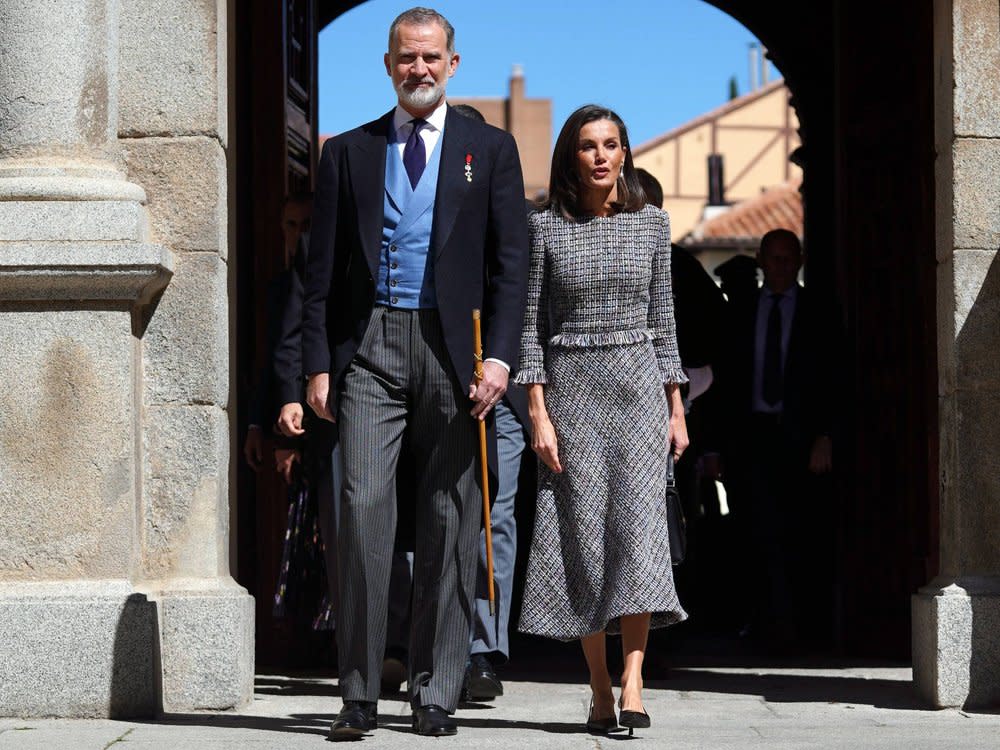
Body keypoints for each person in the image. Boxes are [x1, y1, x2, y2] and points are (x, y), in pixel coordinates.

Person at [300, 7, 529, 740]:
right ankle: (360, 692)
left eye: (432, 58)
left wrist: (498, 357)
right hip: (370, 348)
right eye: (407, 58)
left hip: (454, 350)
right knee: (363, 509)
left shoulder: (489, 150)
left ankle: (436, 689)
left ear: (453, 65)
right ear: (389, 65)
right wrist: (315, 365)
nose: (419, 69)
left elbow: (510, 266)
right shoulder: (348, 153)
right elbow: (320, 274)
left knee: (449, 520)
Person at [514, 104, 689, 736]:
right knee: (584, 539)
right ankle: (596, 685)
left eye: (611, 145)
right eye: (588, 146)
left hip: (639, 389)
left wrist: (676, 406)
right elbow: (530, 327)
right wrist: (537, 412)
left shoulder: (652, 225)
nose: (600, 156)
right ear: (571, 156)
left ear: (625, 154)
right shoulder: (547, 230)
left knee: (639, 536)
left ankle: (634, 680)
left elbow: (666, 323)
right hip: (570, 392)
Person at [272, 230, 413, 695]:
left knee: (402, 531)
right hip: (335, 410)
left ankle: (397, 647)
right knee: (347, 535)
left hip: (409, 405)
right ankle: (359, 655)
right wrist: (290, 398)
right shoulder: (320, 243)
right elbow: (295, 325)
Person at [713, 228, 835, 646]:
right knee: (752, 531)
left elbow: (836, 378)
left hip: (801, 440)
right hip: (751, 438)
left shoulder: (820, 310)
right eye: (773, 258)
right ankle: (759, 623)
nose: (781, 267)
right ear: (761, 262)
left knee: (801, 532)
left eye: (788, 259)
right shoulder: (740, 311)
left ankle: (801, 626)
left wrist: (826, 435)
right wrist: (715, 446)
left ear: (799, 261)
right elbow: (724, 382)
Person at [450, 102, 530, 703]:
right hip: (429, 377)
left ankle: (483, 649)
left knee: (491, 518)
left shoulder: (516, 216)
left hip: (499, 387)